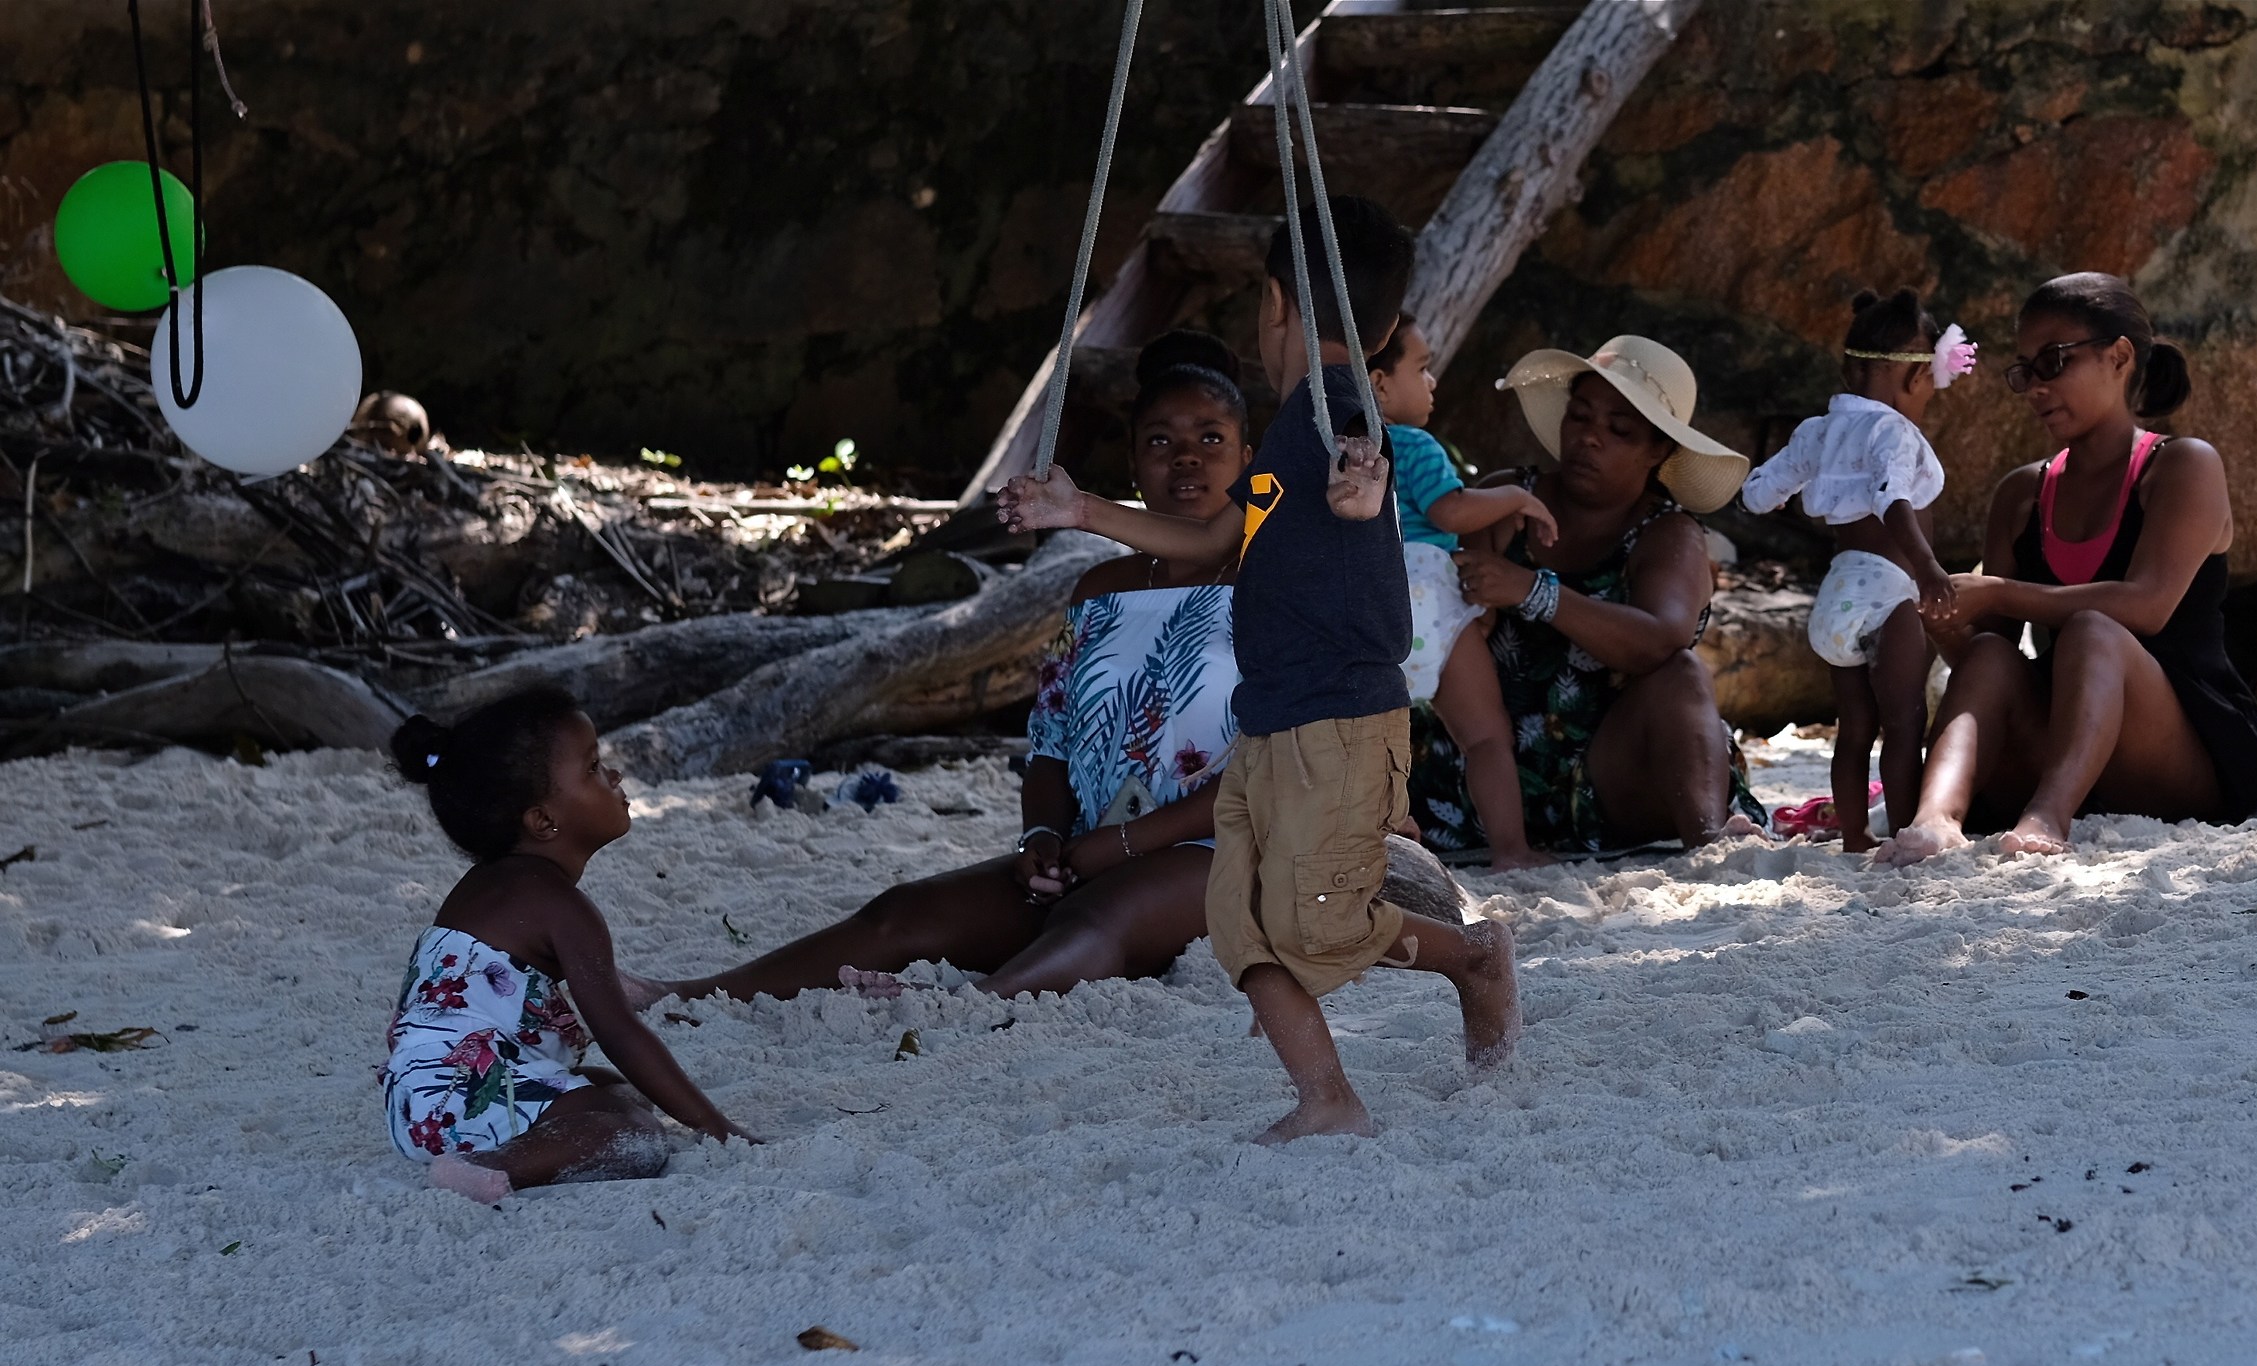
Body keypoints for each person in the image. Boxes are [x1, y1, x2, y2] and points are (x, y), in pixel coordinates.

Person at [998, 195, 1519, 1144]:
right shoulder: (1286, 432)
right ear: (1384, 326)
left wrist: (1364, 491)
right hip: (1275, 720)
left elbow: (1365, 465)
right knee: (1238, 921)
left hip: (1339, 722)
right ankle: (1328, 1097)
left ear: (1275, 306)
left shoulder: (1342, 415)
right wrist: (1083, 513)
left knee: (1320, 923)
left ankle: (1472, 957)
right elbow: (1212, 538)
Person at [635, 332, 1252, 1004]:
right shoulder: (1100, 590)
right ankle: (689, 993)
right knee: (905, 913)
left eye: (1211, 438)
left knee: (1095, 917)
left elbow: (1270, 764)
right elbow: (1051, 743)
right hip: (1091, 847)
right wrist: (1044, 838)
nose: (1186, 455)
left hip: (1224, 850)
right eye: (1160, 440)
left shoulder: (1273, 583)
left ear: (1248, 461)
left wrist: (1126, 845)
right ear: (1132, 463)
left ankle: (968, 1008)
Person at [1880, 272, 2257, 865]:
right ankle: (1935, 819)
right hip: (2073, 741)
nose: (2036, 386)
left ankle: (2047, 816)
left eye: (2054, 361)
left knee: (2094, 630)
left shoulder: (2183, 466)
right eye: (2024, 370)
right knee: (1989, 654)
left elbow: (2148, 605)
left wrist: (1998, 591)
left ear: (2119, 357)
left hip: (2192, 753)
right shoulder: (2020, 494)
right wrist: (1944, 620)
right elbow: (1988, 656)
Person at [383, 689, 748, 1205]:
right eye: (594, 768)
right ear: (542, 821)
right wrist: (718, 1127)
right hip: (461, 1099)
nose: (614, 776)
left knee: (613, 1090)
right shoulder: (562, 908)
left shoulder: (485, 887)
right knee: (638, 1136)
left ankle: (480, 1153)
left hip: (416, 1101)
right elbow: (620, 1032)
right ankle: (484, 1167)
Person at [1425, 335, 1763, 854]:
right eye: (1579, 416)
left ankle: (1710, 843)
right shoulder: (1505, 499)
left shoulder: (1669, 534)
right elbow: (1448, 614)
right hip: (1484, 771)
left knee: (1683, 672)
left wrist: (1532, 591)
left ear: (1658, 451)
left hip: (1614, 778)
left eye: (1618, 430)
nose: (1589, 438)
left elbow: (1660, 639)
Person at [1741, 287, 1974, 851]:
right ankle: (1904, 830)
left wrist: (1777, 489)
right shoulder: (1893, 432)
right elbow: (1893, 499)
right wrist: (1927, 567)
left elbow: (1757, 494)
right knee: (1904, 722)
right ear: (1914, 378)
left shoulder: (1816, 431)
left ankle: (1853, 836)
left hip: (1835, 598)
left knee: (1853, 730)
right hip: (1888, 596)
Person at [1368, 311, 1559, 870]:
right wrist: (1515, 498)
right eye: (1422, 369)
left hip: (1371, 614)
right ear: (1380, 385)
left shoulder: (1338, 456)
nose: (1432, 382)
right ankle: (1511, 850)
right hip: (1430, 606)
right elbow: (1450, 510)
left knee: (1368, 747)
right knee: (1485, 737)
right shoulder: (1412, 446)